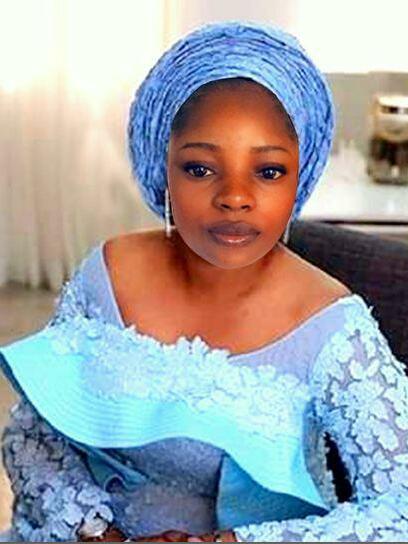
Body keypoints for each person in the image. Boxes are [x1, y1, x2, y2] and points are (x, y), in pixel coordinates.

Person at [1, 19, 408, 543]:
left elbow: (400, 507)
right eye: (199, 169)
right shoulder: (108, 273)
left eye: (268, 171)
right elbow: (34, 435)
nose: (234, 197)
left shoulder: (335, 331)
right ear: (163, 169)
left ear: (300, 177)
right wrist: (100, 536)